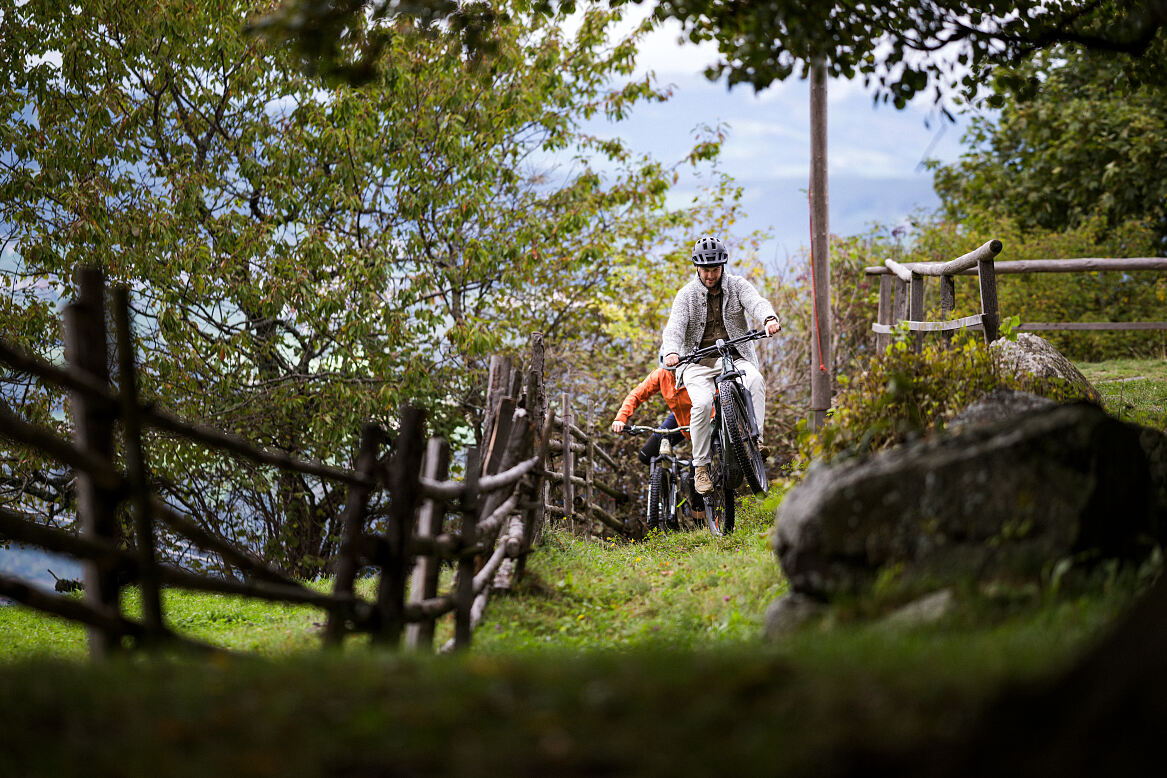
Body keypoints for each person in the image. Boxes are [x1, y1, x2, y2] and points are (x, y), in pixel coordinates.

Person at [661, 235, 780, 495]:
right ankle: (701, 468)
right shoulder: (686, 296)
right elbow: (675, 328)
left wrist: (769, 318)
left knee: (756, 380)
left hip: (734, 357)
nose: (710, 275)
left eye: (715, 269)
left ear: (722, 266)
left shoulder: (738, 286)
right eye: (705, 270)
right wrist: (671, 351)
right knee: (702, 405)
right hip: (696, 363)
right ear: (697, 268)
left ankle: (754, 442)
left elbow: (756, 303)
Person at [610, 367, 706, 528]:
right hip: (679, 420)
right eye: (671, 370)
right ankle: (669, 485)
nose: (674, 373)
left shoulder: (696, 371)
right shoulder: (661, 374)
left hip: (702, 420)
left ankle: (701, 522)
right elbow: (637, 394)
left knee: (695, 470)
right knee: (646, 455)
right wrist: (621, 418)